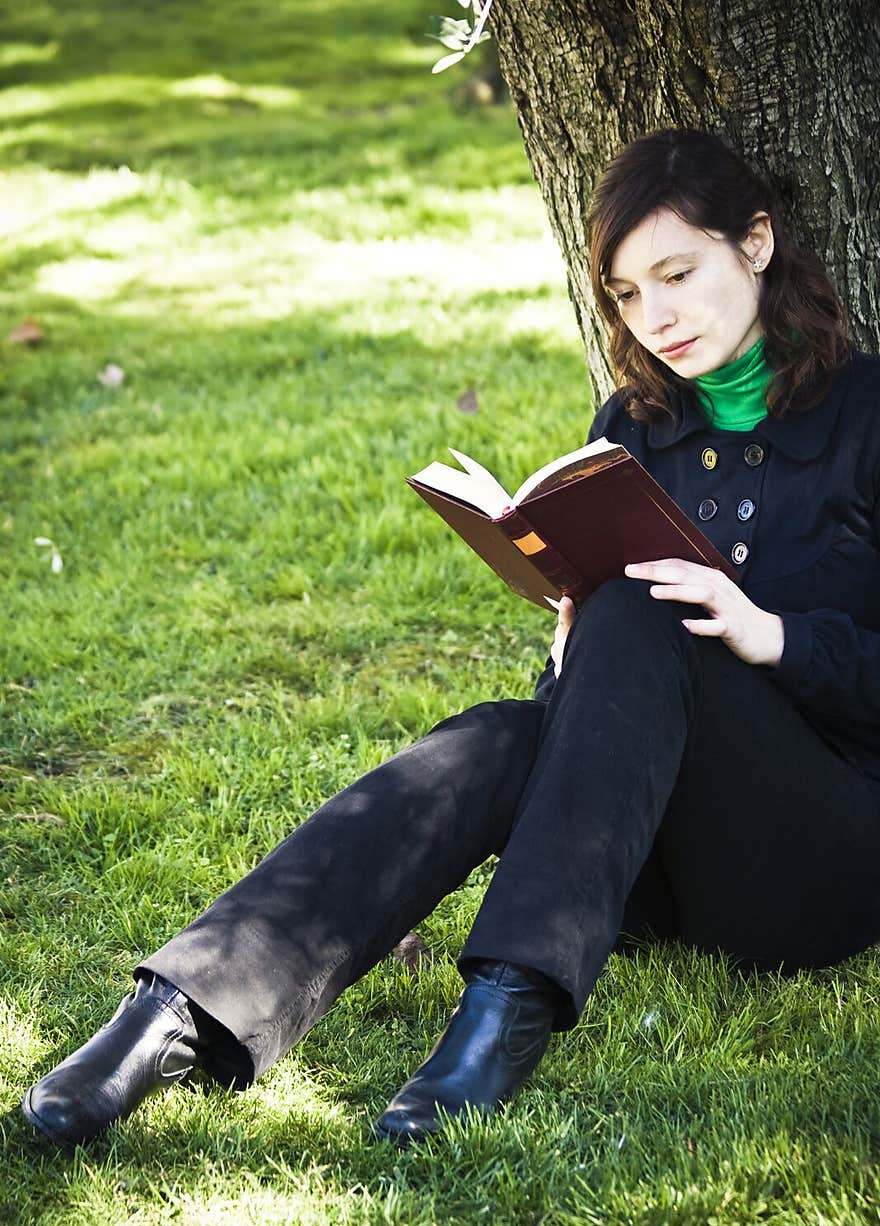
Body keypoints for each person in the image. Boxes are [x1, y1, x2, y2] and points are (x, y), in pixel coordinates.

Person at [22, 126, 880, 1153]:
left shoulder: (866, 416)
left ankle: (501, 1010)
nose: (656, 318)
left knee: (647, 606)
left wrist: (766, 634)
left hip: (817, 862)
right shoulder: (634, 428)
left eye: (677, 273)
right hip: (647, 863)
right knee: (496, 734)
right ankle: (174, 1013)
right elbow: (599, 719)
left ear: (755, 243)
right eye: (624, 293)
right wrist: (574, 656)